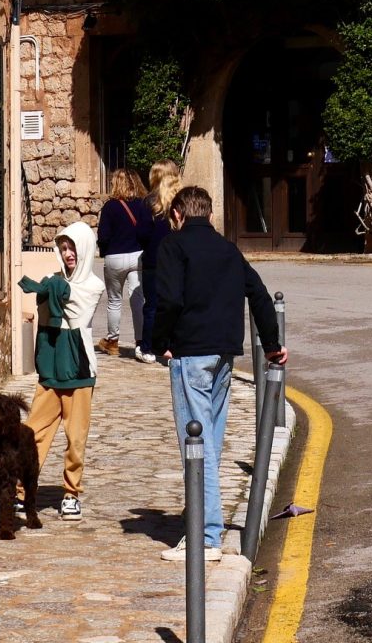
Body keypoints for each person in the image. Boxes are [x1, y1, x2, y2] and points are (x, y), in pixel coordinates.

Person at [143, 186, 284, 564]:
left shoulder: (173, 246)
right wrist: (271, 344)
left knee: (196, 446)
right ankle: (204, 523)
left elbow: (168, 300)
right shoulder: (228, 249)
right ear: (208, 213)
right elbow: (259, 295)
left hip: (191, 354)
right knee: (211, 445)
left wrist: (159, 344)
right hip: (224, 356)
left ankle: (205, 538)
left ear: (177, 214)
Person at [18, 222, 103, 519]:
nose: (68, 254)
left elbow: (75, 310)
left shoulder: (93, 285)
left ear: (85, 250)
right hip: (51, 368)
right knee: (33, 432)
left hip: (78, 369)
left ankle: (71, 492)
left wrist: (49, 288)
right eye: (64, 248)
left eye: (73, 248)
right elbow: (48, 308)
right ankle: (24, 488)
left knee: (75, 437)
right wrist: (49, 288)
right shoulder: (53, 281)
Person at [96, 169, 154, 358]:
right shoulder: (143, 204)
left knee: (114, 300)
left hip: (115, 257)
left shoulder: (110, 207)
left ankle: (112, 341)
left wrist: (104, 252)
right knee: (137, 299)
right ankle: (140, 341)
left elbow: (103, 235)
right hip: (137, 254)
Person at [136, 160, 183, 365]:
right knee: (177, 304)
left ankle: (148, 348)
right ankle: (174, 346)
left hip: (154, 260)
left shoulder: (149, 203)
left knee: (152, 306)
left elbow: (141, 234)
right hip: (178, 260)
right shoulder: (183, 200)